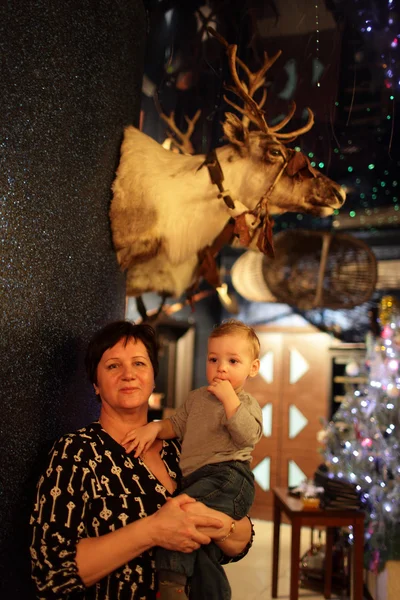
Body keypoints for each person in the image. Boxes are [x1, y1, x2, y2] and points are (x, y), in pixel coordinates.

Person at [29, 321, 254, 600]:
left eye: (139, 363)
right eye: (113, 366)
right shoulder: (75, 453)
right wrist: (152, 531)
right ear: (96, 384)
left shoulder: (182, 446)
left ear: (153, 377)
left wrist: (224, 525)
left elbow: (242, 538)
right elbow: (50, 573)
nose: (128, 375)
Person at [122, 319, 262, 600]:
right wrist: (154, 427)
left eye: (233, 361)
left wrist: (229, 401)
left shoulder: (244, 403)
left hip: (229, 476)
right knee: (202, 546)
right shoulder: (197, 398)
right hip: (199, 477)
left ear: (253, 368)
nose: (221, 367)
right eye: (213, 359)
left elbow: (249, 436)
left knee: (177, 514)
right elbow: (176, 424)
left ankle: (171, 583)